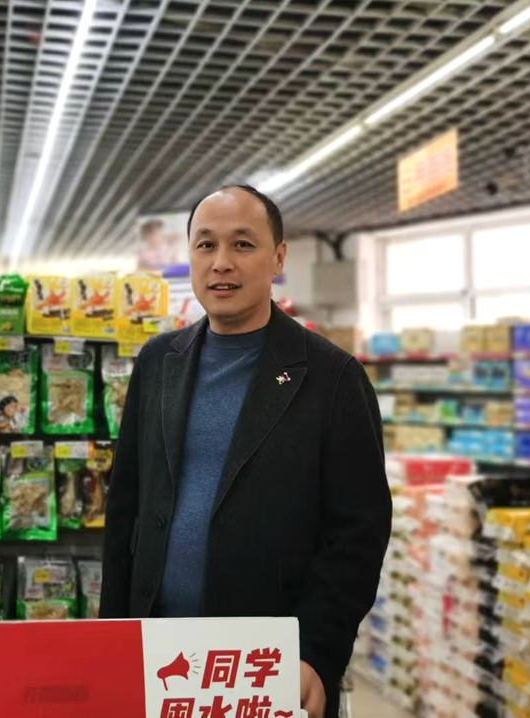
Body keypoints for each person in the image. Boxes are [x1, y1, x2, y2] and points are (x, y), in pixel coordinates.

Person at [100, 184, 391, 718]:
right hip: (159, 650)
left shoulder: (332, 378)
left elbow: (359, 534)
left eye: (243, 244)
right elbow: (126, 510)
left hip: (267, 662)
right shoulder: (159, 362)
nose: (221, 263)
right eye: (206, 245)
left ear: (278, 258)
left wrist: (316, 653)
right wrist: (112, 637)